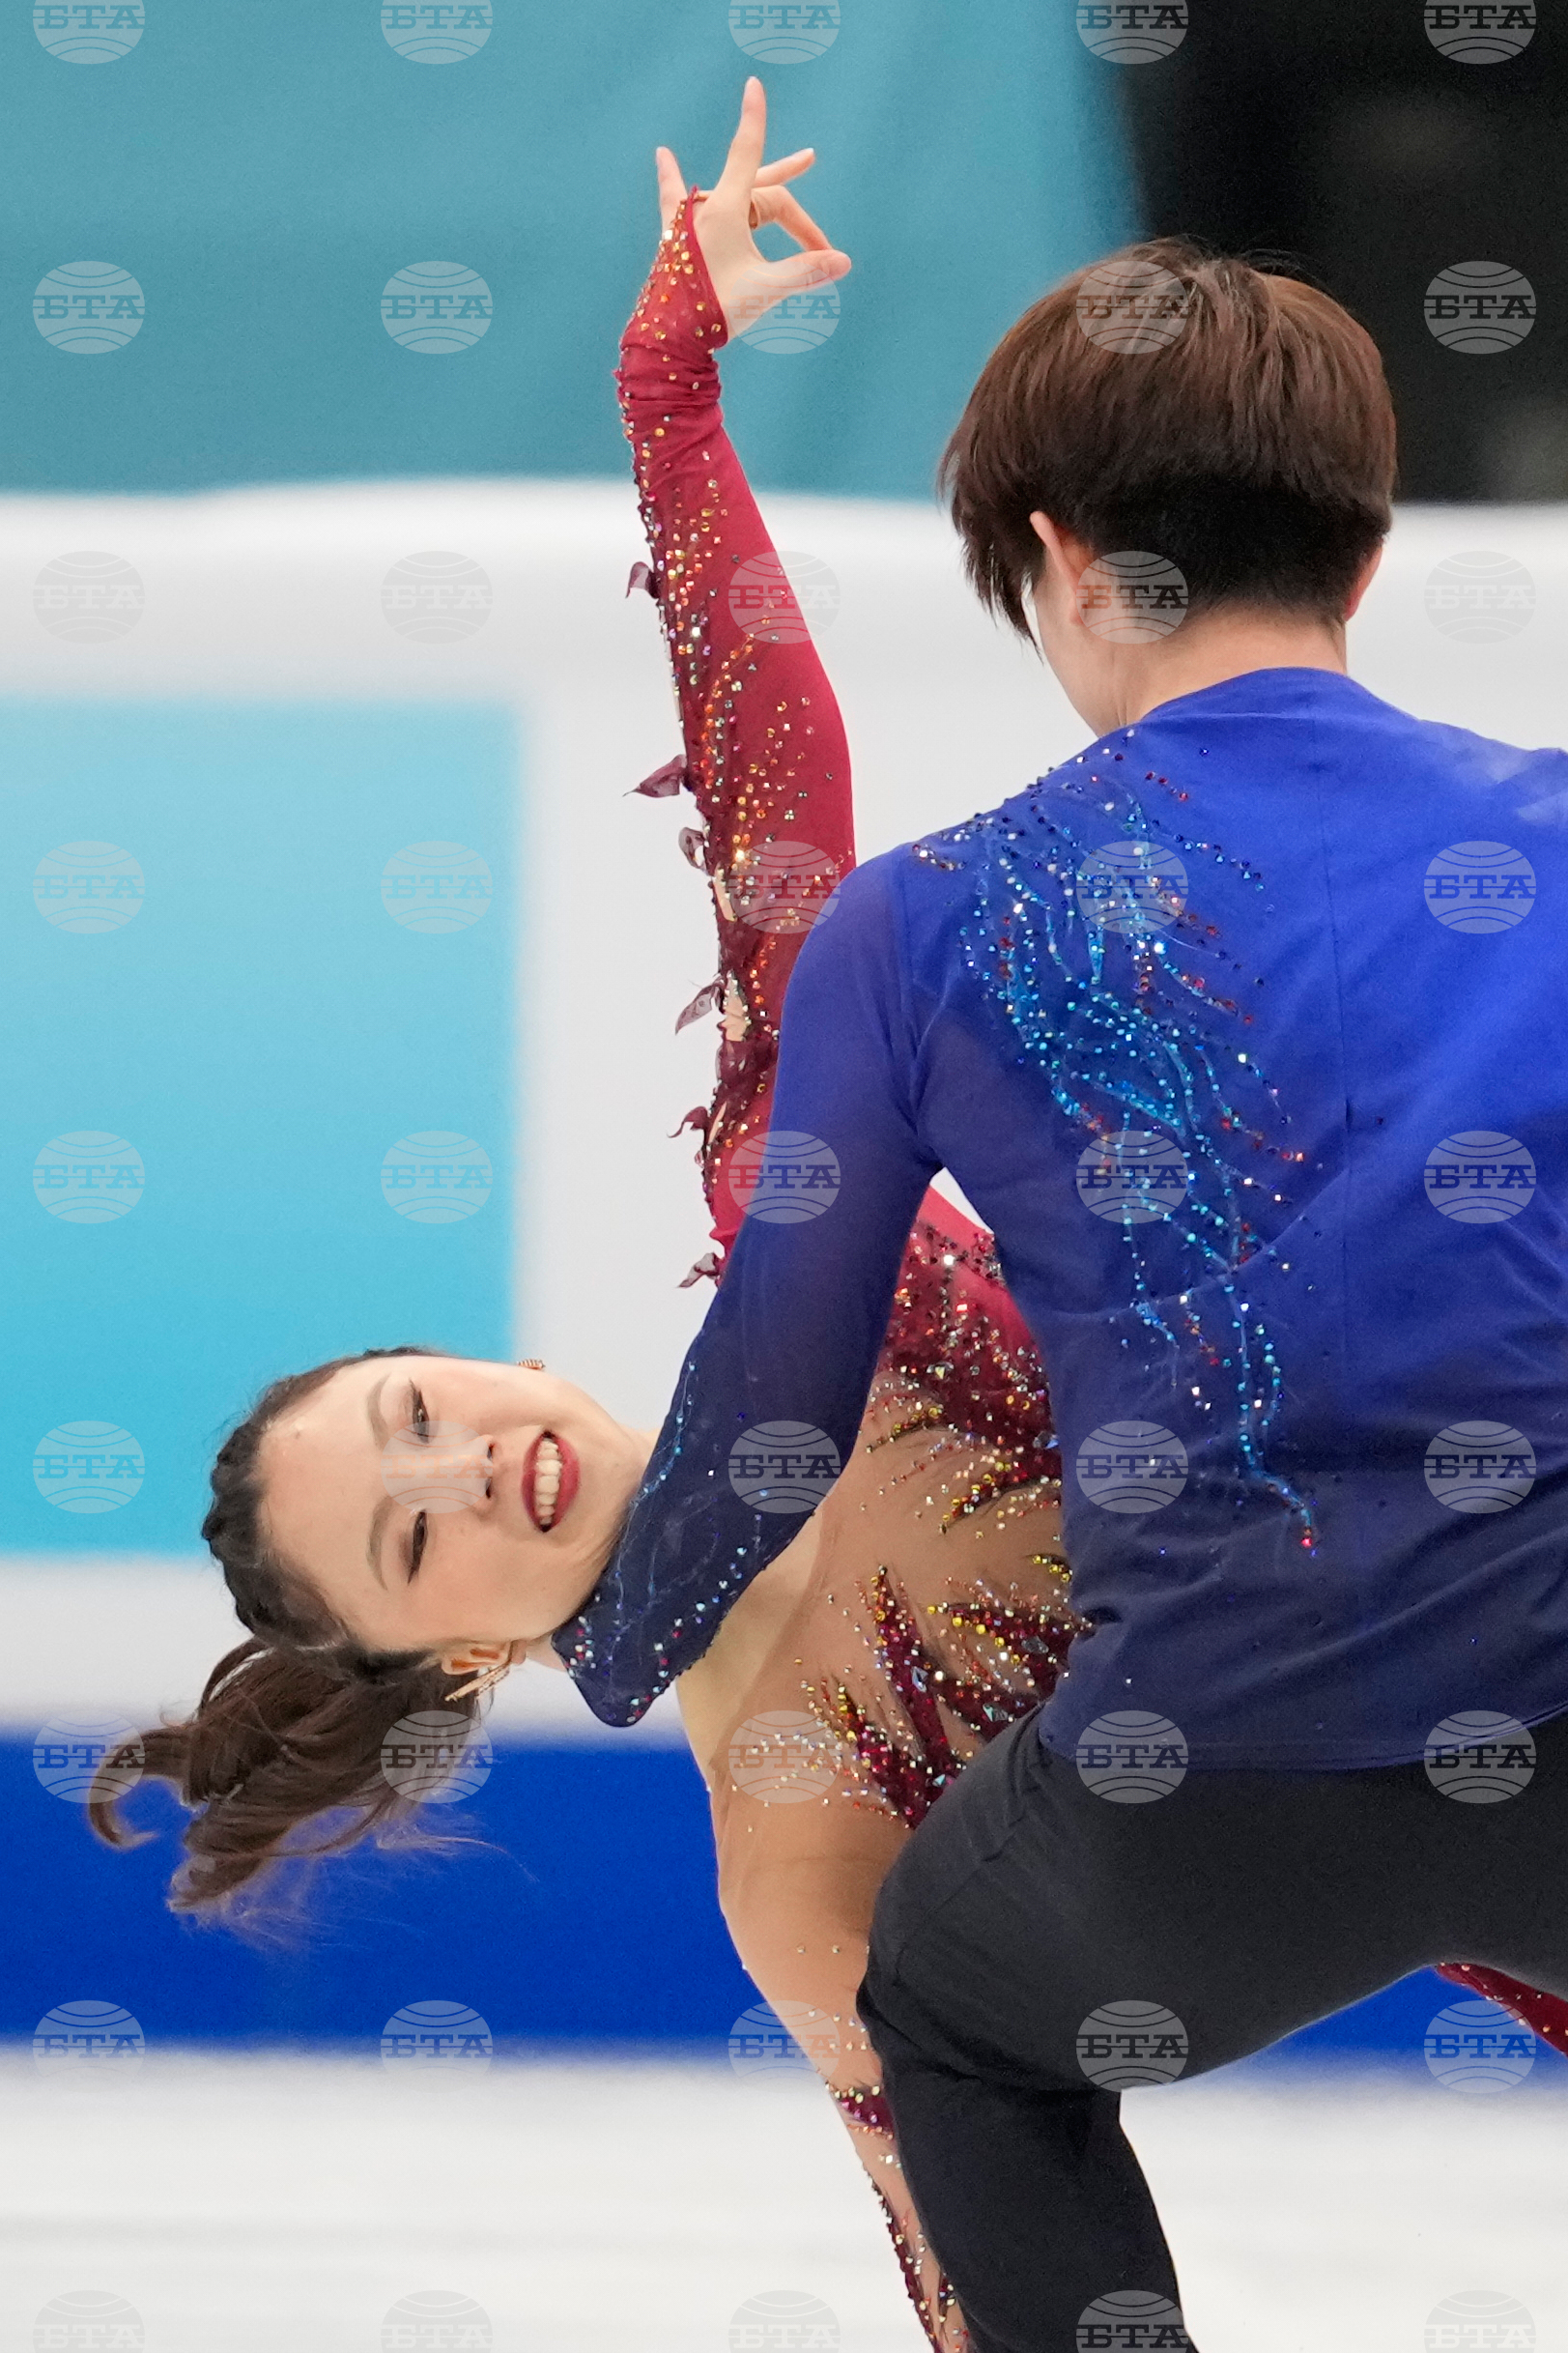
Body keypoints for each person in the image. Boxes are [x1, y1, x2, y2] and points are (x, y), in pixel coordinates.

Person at [89, 84, 1568, 2351]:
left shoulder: (841, 1187)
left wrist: (670, 404)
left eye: (414, 1404)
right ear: (461, 1655)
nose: (465, 1463)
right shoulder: (798, 1870)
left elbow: (756, 790)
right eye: (413, 1536)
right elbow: (950, 2247)